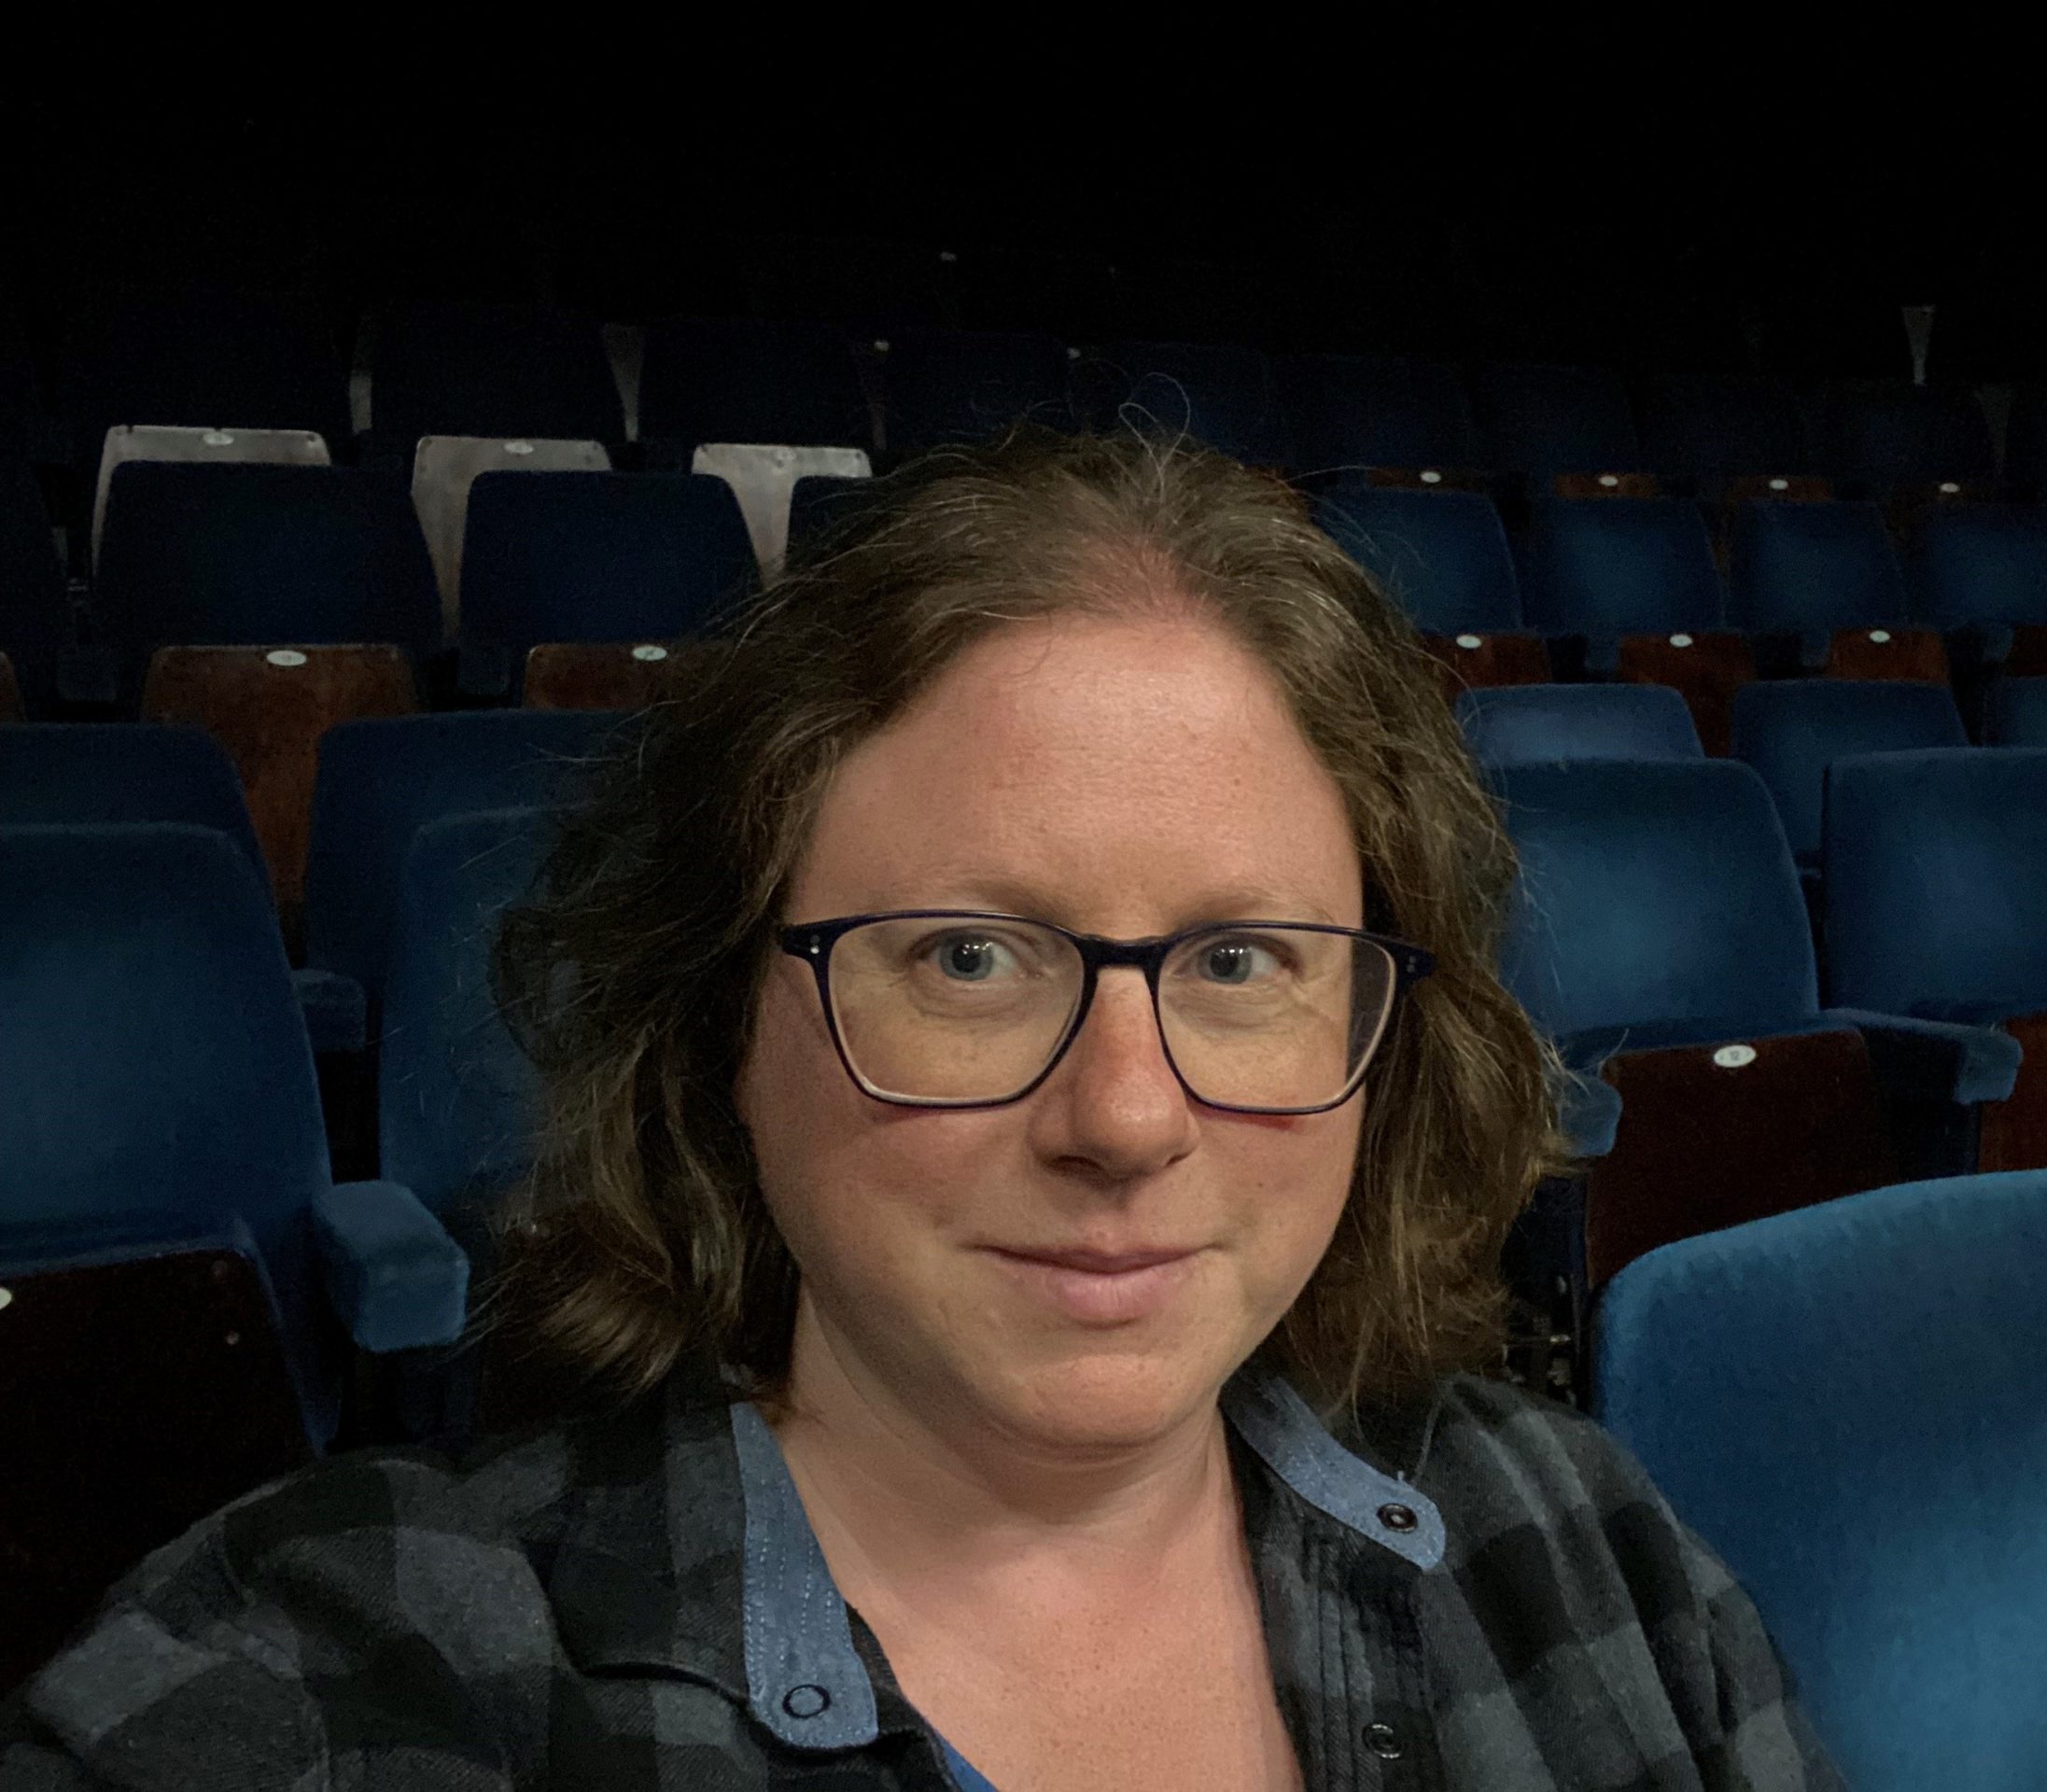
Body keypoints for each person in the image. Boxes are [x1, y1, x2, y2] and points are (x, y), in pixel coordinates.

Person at [2, 430, 1843, 1790]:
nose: (1124, 1121)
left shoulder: (1576, 1540)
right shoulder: (336, 1674)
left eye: (1240, 962)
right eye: (966, 960)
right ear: (724, 1012)